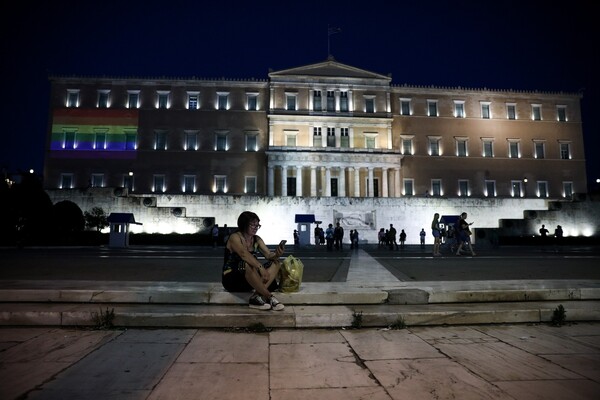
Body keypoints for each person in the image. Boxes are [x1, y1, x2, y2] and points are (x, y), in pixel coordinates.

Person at [222, 211, 285, 311]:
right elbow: (244, 254)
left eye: (257, 225)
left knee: (276, 263)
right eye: (253, 225)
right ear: (244, 224)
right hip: (233, 278)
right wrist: (260, 268)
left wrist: (277, 254)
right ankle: (269, 296)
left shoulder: (256, 239)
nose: (256, 228)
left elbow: (268, 255)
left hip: (251, 277)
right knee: (246, 264)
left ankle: (255, 297)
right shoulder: (235, 237)